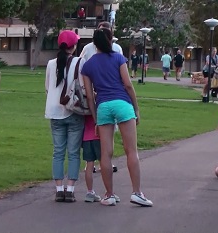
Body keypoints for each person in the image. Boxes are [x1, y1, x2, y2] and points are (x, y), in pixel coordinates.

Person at [81, 27, 153, 207]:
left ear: (93, 43)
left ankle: (109, 194)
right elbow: (128, 85)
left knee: (106, 154)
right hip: (122, 103)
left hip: (103, 106)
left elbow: (90, 96)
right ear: (110, 40)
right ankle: (137, 192)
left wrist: (96, 119)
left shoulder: (87, 65)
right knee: (131, 151)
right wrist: (136, 109)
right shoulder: (118, 58)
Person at [45, 30, 85, 203]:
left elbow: (47, 88)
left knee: (58, 152)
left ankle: (59, 189)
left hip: (54, 111)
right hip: (73, 110)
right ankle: (70, 190)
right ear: (74, 46)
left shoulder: (50, 63)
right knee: (74, 153)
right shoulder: (80, 62)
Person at [80, 22, 119, 173]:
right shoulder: (87, 49)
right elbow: (82, 67)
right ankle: (90, 162)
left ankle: (106, 161)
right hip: (95, 91)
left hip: (109, 93)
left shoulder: (117, 49)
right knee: (94, 129)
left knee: (109, 129)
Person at [82, 115, 120, 203]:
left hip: (87, 137)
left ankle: (90, 191)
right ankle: (109, 192)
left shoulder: (85, 105)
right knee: (104, 163)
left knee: (89, 164)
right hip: (99, 137)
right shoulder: (99, 107)